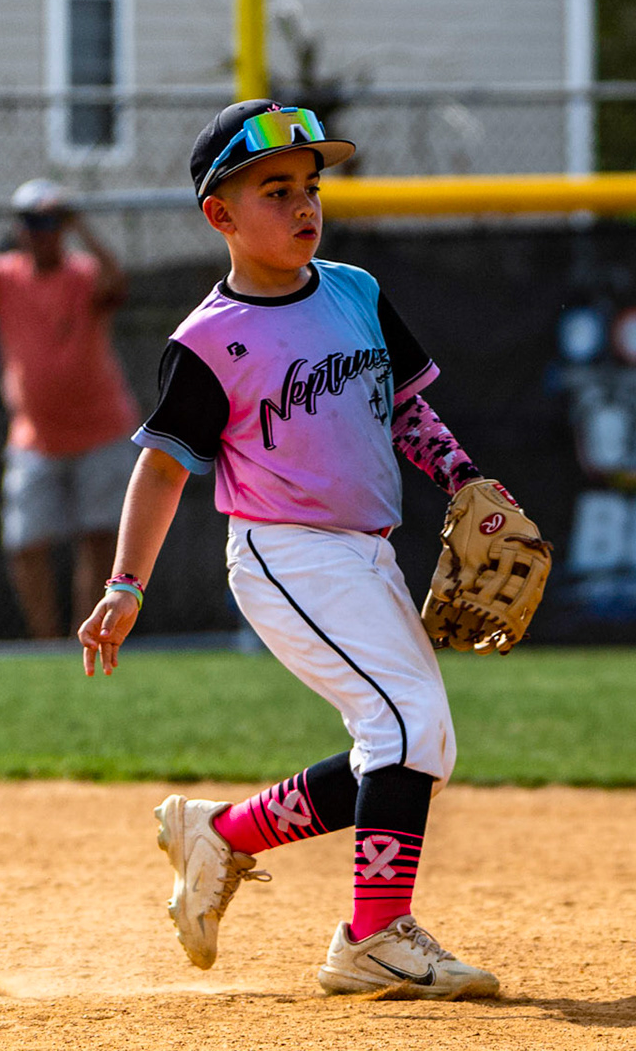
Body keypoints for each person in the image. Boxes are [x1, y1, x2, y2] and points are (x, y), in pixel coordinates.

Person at [76, 100, 533, 999]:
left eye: (310, 186)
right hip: (285, 555)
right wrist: (127, 584)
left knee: (414, 746)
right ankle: (370, 938)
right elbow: (164, 472)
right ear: (221, 216)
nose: (302, 205)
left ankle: (225, 833)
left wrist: (467, 479)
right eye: (274, 190)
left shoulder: (355, 290)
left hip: (366, 553)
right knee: (405, 726)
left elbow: (404, 407)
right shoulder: (209, 341)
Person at [0, 180, 140, 639]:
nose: (41, 231)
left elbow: (117, 285)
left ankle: (84, 636)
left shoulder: (85, 272)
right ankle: (45, 644)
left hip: (101, 429)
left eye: (50, 221)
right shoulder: (0, 275)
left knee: (98, 540)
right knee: (26, 543)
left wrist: (81, 224)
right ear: (18, 227)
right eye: (31, 221)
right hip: (34, 438)